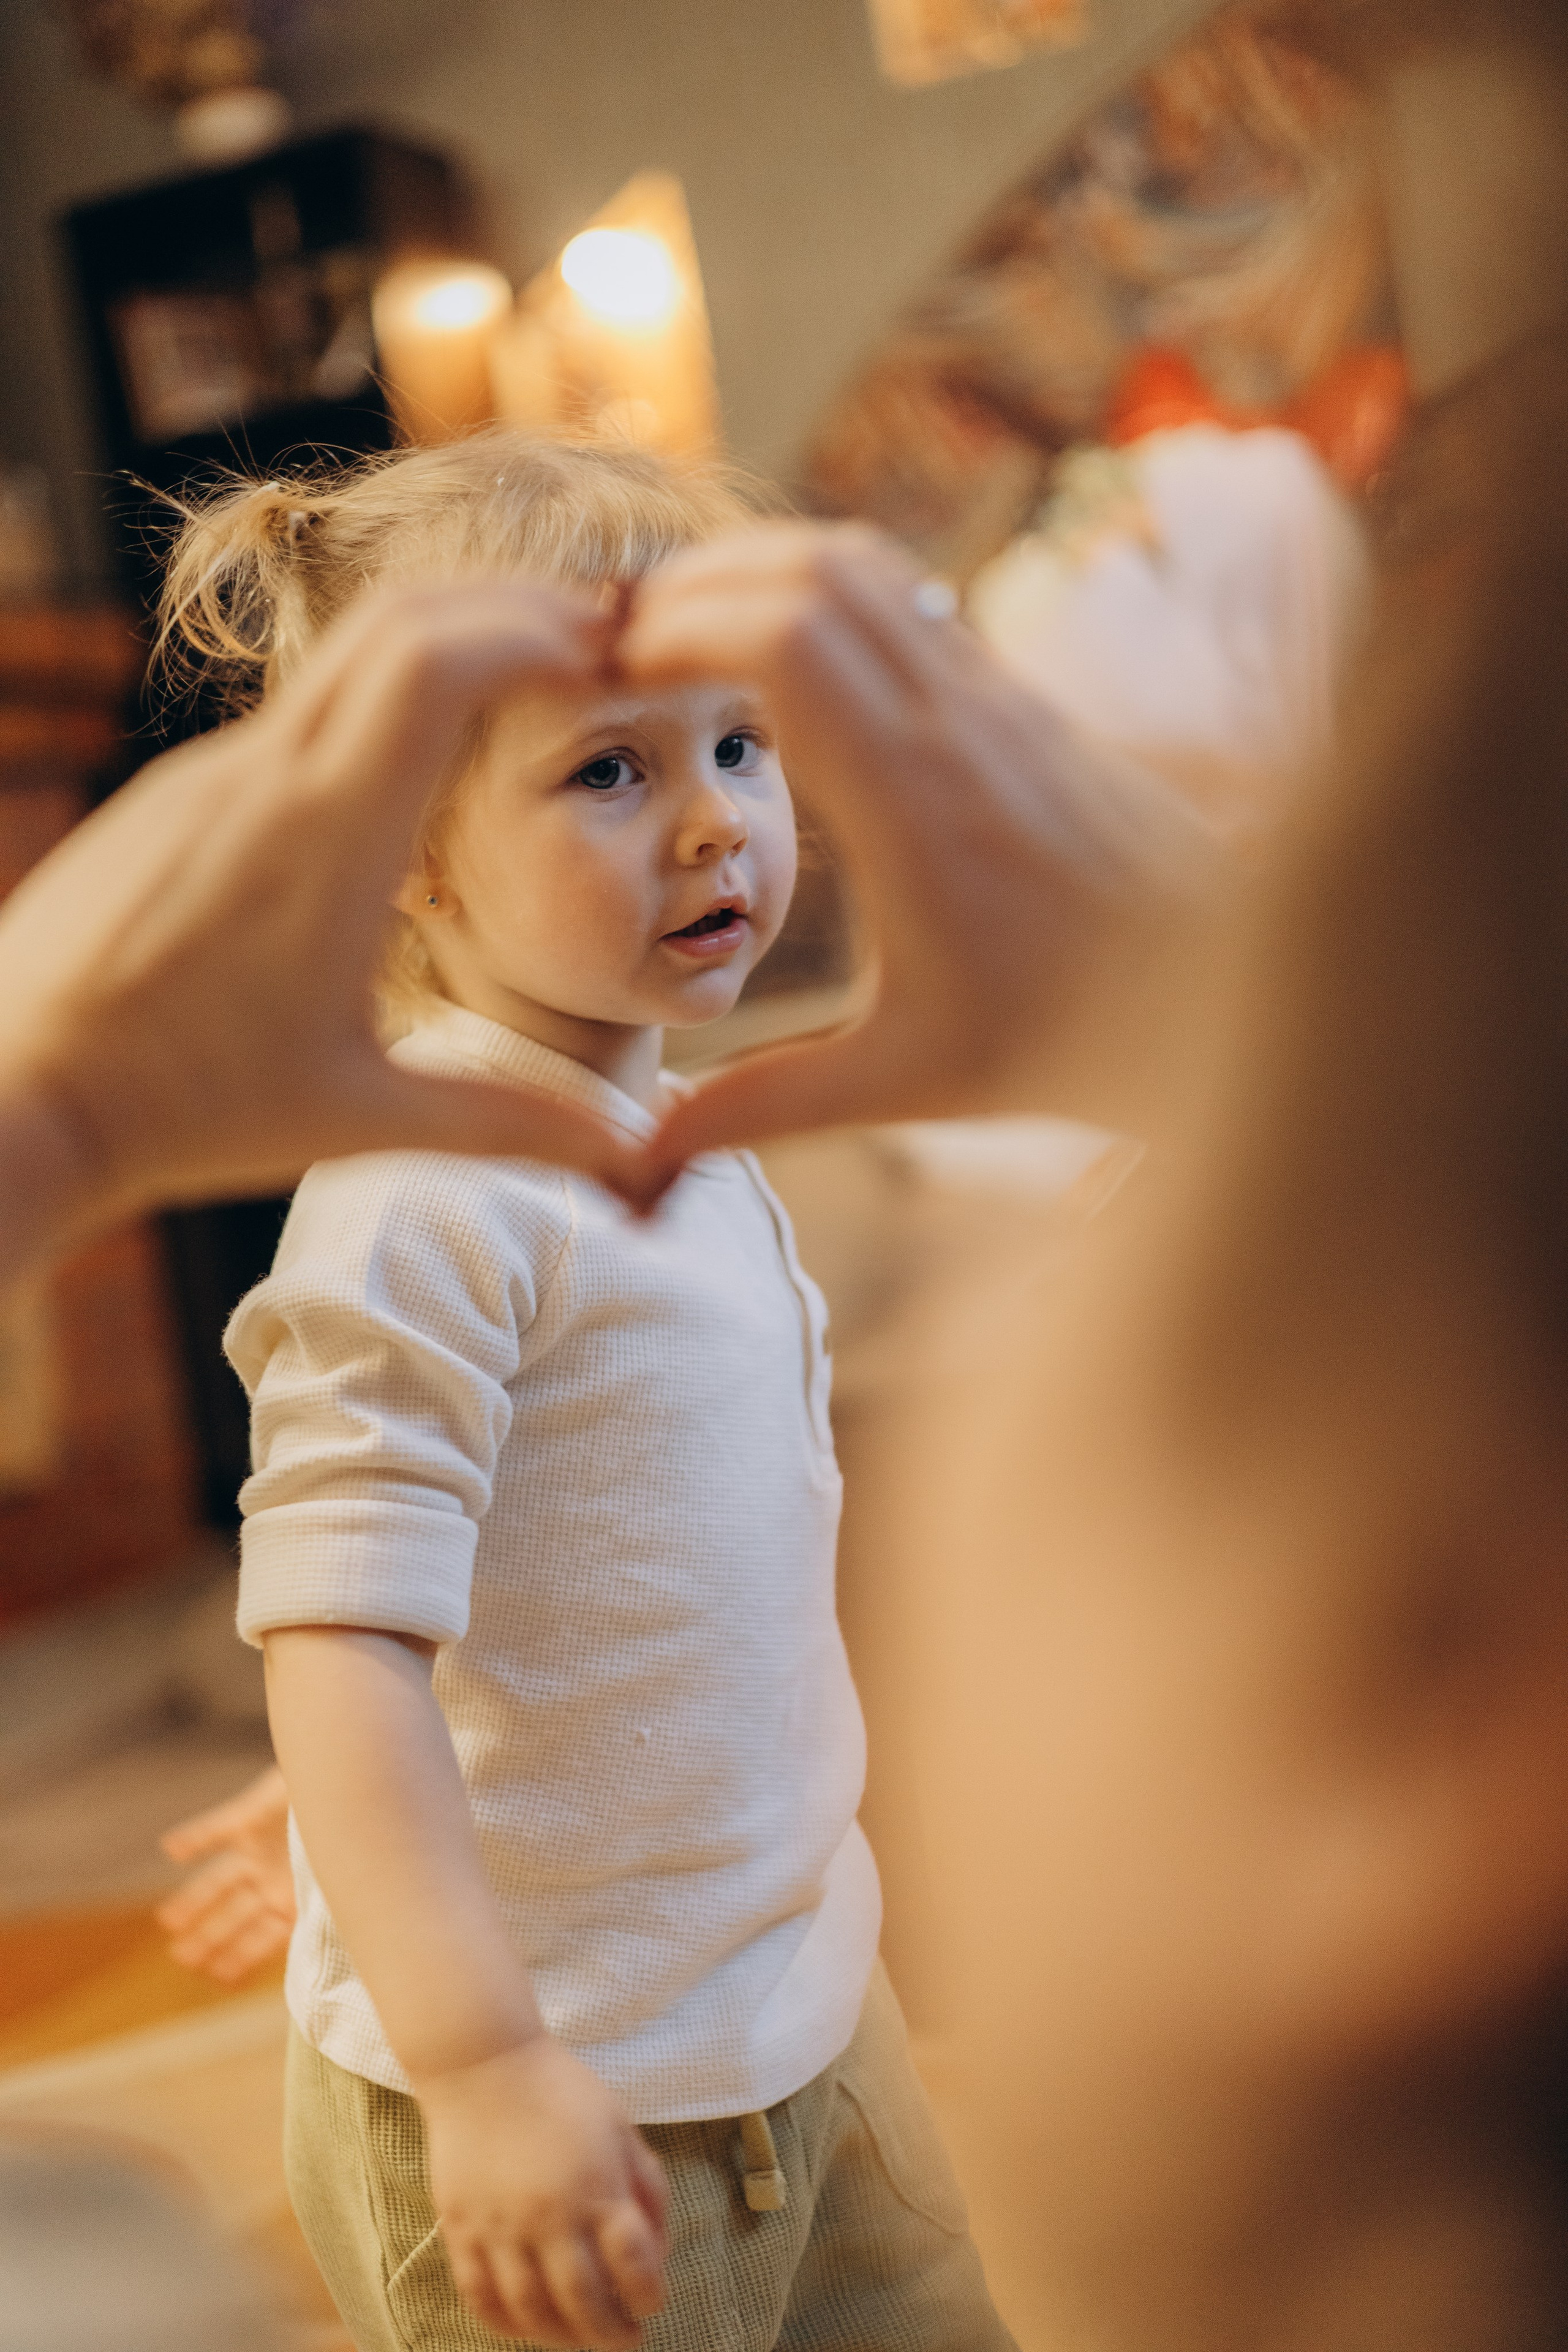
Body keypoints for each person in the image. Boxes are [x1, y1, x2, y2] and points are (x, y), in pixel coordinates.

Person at [151, 431, 1017, 2352]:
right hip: (562, 2092)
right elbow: (340, 1626)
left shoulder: (681, 1137)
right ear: (400, 858)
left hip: (794, 1987)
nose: (716, 823)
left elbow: (592, 1569)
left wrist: (357, 1788)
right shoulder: (424, 1205)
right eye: (612, 769)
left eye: (737, 742)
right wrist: (475, 2068)